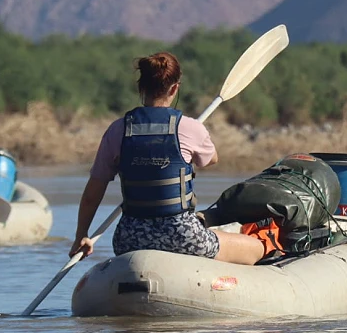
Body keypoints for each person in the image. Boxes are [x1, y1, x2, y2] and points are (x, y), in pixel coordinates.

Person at [70, 52, 265, 266]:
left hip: (129, 239)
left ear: (140, 87)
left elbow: (92, 193)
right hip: (181, 235)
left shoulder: (117, 130)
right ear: (174, 88)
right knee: (256, 247)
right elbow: (211, 159)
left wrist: (82, 234)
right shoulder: (191, 127)